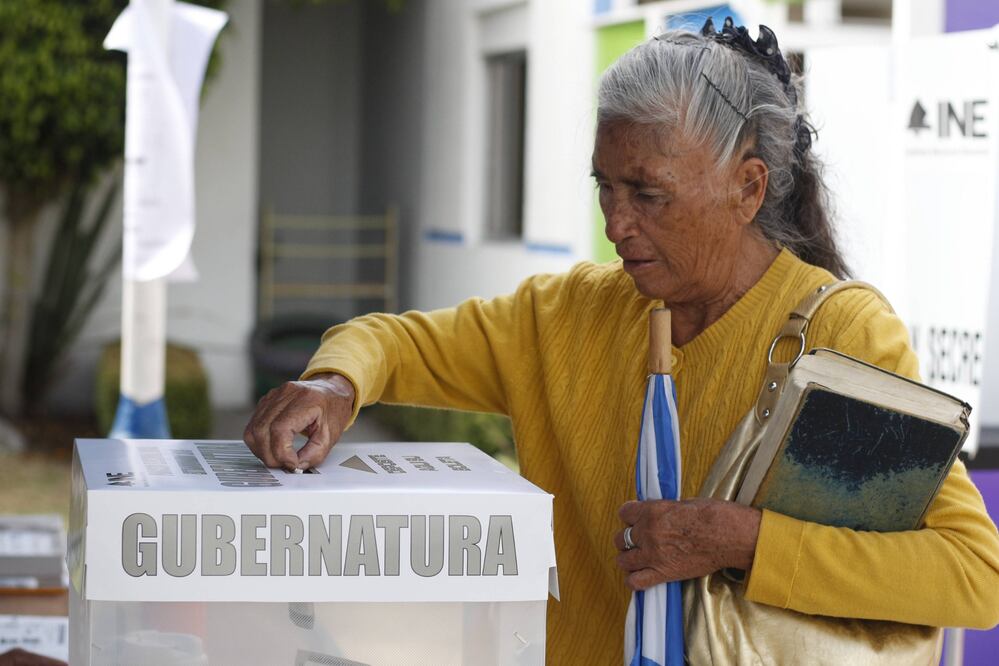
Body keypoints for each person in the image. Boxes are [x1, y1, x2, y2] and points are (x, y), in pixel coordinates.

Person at [245, 19, 999, 663]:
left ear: (748, 187)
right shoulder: (567, 314)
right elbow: (393, 343)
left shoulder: (839, 337)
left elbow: (969, 573)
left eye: (648, 193)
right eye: (604, 186)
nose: (615, 222)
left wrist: (742, 541)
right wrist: (334, 385)